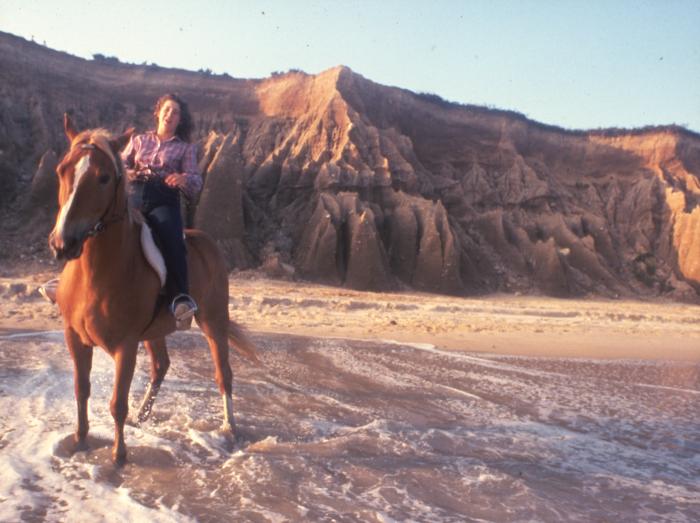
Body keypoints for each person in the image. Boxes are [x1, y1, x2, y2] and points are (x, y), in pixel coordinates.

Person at [121, 93, 203, 330]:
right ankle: (67, 282)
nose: (170, 115)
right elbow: (121, 163)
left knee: (173, 238)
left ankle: (180, 298)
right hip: (134, 196)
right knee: (100, 222)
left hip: (163, 201)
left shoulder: (185, 148)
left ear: (180, 120)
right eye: (167, 109)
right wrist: (129, 173)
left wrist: (183, 178)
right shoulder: (138, 141)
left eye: (175, 112)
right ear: (158, 112)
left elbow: (196, 181)